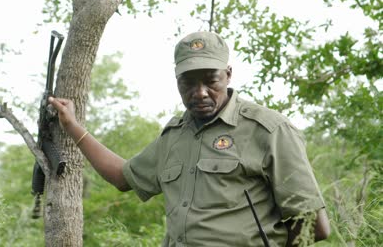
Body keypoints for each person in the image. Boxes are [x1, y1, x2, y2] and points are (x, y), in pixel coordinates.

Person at [48, 31, 331, 246]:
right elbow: (123, 177)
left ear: (228, 74)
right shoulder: (175, 135)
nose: (200, 92)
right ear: (176, 80)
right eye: (188, 82)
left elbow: (313, 226)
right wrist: (73, 126)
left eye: (211, 80)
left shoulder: (269, 130)